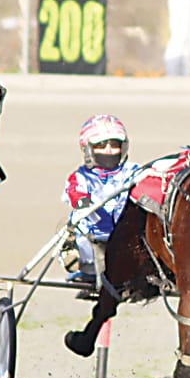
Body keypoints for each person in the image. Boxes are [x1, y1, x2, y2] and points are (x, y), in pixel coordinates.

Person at [62, 114, 142, 283]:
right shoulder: (82, 176)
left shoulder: (133, 171)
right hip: (93, 232)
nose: (108, 150)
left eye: (114, 145)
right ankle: (87, 270)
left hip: (127, 232)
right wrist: (82, 202)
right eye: (101, 145)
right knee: (79, 229)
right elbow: (75, 191)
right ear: (88, 149)